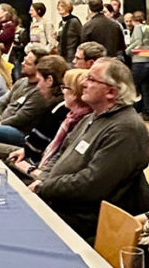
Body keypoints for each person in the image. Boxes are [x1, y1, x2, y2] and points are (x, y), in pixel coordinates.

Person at [30, 58, 149, 240]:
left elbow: (92, 184)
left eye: (92, 80)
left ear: (111, 92)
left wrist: (44, 187)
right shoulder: (91, 118)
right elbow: (61, 154)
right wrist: (43, 179)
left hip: (85, 219)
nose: (84, 84)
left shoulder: (125, 129)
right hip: (59, 200)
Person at [0, 61, 79, 182]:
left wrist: (33, 170)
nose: (37, 86)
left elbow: (44, 149)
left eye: (39, 81)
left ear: (49, 80)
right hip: (36, 156)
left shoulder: (59, 109)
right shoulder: (62, 109)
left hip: (40, 165)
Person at [0, 45, 52, 145]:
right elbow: (2, 104)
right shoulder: (21, 82)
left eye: (28, 63)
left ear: (38, 67)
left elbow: (20, 118)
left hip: (19, 131)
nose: (22, 64)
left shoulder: (39, 91)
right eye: (24, 60)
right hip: (0, 124)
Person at [126, 12, 149, 120]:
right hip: (146, 60)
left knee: (133, 86)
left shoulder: (138, 28)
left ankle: (133, 111)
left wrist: (128, 50)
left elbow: (138, 43)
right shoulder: (147, 28)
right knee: (145, 88)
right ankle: (146, 111)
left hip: (138, 61)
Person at [56, 0, 82, 65]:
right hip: (61, 54)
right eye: (58, 6)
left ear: (68, 7)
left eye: (62, 6)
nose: (59, 8)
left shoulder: (74, 21)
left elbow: (81, 36)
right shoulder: (61, 23)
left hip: (71, 54)